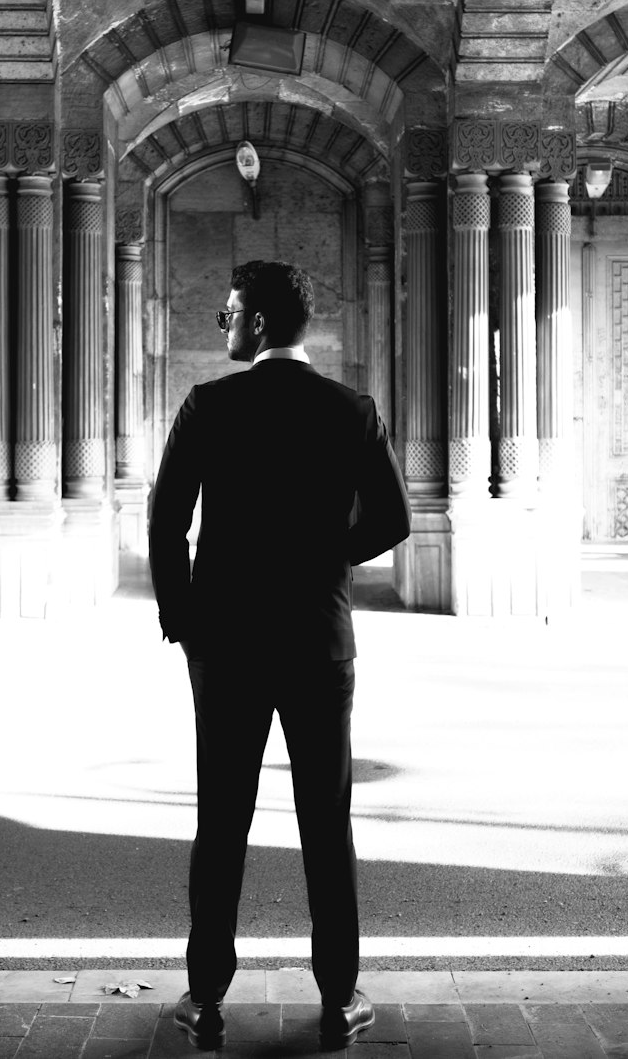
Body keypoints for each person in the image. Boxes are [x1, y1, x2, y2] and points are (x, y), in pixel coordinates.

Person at [148, 259, 411, 1050]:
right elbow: (392, 520)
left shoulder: (210, 405)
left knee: (221, 818)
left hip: (226, 646)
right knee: (326, 822)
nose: (223, 324)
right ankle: (338, 999)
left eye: (229, 313)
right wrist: (330, 555)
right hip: (318, 641)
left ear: (258, 324)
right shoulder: (350, 410)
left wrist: (182, 618)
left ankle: (205, 999)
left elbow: (166, 523)